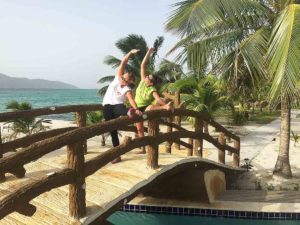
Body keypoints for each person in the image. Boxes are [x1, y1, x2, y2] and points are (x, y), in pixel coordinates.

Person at [102, 49, 142, 163]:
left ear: (128, 82)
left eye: (124, 78)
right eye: (122, 76)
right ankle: (117, 155)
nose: (122, 78)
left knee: (121, 109)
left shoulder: (127, 89)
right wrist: (129, 53)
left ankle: (129, 112)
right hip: (106, 107)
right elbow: (123, 63)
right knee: (112, 130)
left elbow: (131, 99)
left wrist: (136, 109)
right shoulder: (117, 79)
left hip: (117, 107)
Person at [135, 48, 173, 154]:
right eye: (147, 76)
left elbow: (158, 99)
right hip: (136, 107)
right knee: (139, 129)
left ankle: (165, 108)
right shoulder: (143, 81)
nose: (146, 77)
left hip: (145, 108)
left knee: (150, 108)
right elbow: (143, 65)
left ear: (151, 82)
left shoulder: (152, 89)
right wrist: (148, 52)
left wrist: (165, 105)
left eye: (148, 77)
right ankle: (143, 148)